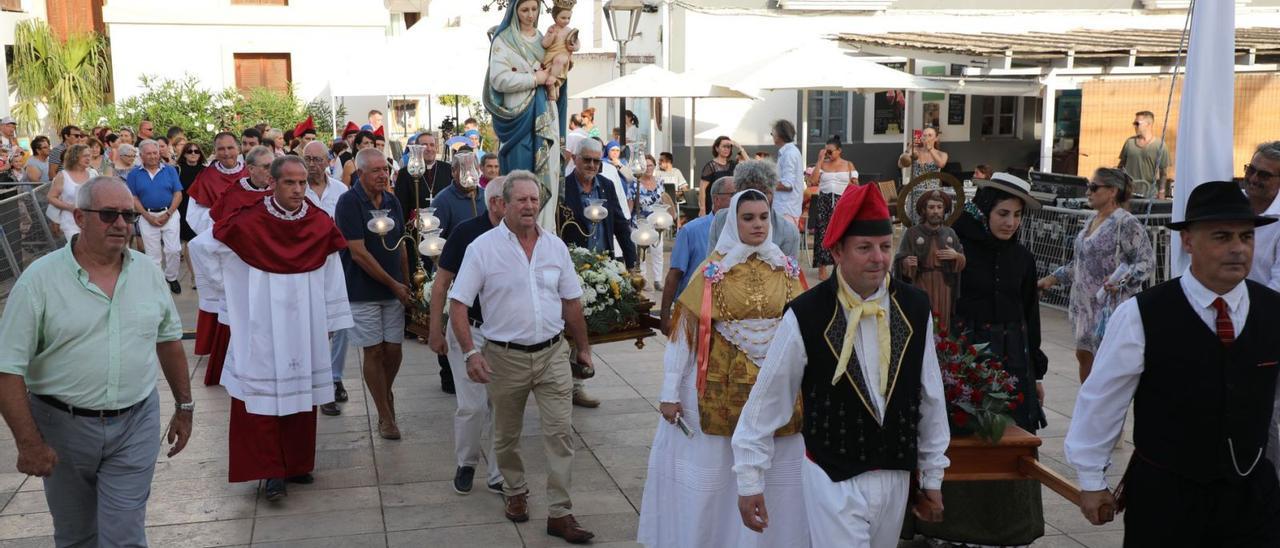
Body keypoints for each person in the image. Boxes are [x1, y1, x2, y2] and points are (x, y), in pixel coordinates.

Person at [731, 182, 950, 547]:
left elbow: (930, 397)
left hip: (895, 474)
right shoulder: (807, 313)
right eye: (864, 248)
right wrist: (749, 478)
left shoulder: (913, 308)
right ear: (836, 252)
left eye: (884, 247)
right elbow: (768, 398)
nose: (878, 258)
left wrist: (932, 477)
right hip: (833, 477)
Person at [1065, 180, 1280, 545]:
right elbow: (1102, 399)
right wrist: (1091, 480)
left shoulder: (1273, 310)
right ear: (1188, 241)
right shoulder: (1143, 314)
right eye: (1222, 236)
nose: (1237, 249)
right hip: (1167, 498)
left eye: (1246, 237)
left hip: (1251, 496)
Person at [0, 176, 192, 547]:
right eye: (108, 215)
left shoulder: (148, 273)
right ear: (80, 217)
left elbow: (168, 340)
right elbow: (7, 369)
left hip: (135, 423)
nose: (120, 224)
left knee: (124, 535)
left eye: (127, 215)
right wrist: (28, 443)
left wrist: (185, 405)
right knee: (77, 536)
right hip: (62, 428)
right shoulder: (38, 281)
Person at [638, 189, 809, 548]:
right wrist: (670, 393)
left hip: (777, 388)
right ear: (733, 220)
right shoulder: (712, 271)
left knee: (774, 469)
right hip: (721, 388)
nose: (758, 225)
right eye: (748, 218)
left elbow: (803, 333)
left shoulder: (787, 268)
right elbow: (683, 338)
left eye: (764, 217)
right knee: (722, 470)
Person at [190, 155, 351, 502]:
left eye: (302, 183)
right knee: (261, 398)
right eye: (289, 183)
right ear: (273, 184)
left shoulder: (318, 222)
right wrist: (230, 297)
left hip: (304, 322)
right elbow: (201, 248)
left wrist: (330, 320)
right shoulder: (249, 220)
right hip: (260, 322)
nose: (297, 189)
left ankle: (296, 464)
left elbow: (331, 271)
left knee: (302, 392)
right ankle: (270, 471)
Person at [448, 171, 596, 544]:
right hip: (504, 357)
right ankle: (514, 492)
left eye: (534, 200)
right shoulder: (483, 247)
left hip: (551, 354)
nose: (529, 206)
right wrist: (469, 352)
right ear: (504, 204)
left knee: (560, 434)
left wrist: (583, 348)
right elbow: (458, 304)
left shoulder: (555, 247)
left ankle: (560, 513)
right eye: (521, 200)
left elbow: (571, 302)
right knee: (506, 435)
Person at [916, 172, 1047, 546]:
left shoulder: (1022, 258)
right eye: (1003, 213)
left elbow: (1029, 315)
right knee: (965, 433)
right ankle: (953, 526)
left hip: (1013, 358)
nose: (1010, 222)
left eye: (1018, 216)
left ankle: (1008, 528)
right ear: (984, 210)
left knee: (1012, 440)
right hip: (966, 357)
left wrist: (1035, 374)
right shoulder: (957, 251)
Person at [1037, 168, 1155, 382]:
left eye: (1093, 187)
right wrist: (1051, 279)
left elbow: (1146, 262)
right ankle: (1089, 410)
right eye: (1087, 187)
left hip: (1108, 308)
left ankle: (1101, 410)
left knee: (1105, 366)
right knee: (1084, 358)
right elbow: (1082, 263)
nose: (1088, 192)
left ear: (1112, 191)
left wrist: (1121, 281)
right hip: (1083, 307)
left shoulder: (1126, 223)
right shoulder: (1091, 221)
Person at [429, 175, 507, 496]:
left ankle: (499, 473)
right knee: (473, 406)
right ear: (495, 203)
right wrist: (435, 330)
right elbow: (441, 283)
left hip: (506, 334)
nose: (526, 207)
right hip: (468, 329)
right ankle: (467, 463)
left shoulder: (525, 234)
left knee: (503, 405)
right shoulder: (465, 232)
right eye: (516, 199)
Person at [335, 148, 411, 440]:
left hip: (394, 288)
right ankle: (384, 414)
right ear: (361, 173)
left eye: (385, 170)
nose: (383, 175)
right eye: (377, 171)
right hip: (362, 289)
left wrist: (406, 282)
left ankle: (384, 393)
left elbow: (402, 243)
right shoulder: (348, 202)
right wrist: (394, 284)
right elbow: (358, 253)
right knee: (374, 350)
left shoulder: (392, 200)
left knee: (394, 350)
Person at [484, 0, 567, 230]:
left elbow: (558, 63)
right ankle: (519, 231)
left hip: (545, 114)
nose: (530, 15)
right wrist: (534, 79)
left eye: (534, 9)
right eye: (524, 10)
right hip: (517, 116)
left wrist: (556, 79)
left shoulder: (544, 38)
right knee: (521, 174)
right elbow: (498, 79)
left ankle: (544, 231)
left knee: (547, 168)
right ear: (514, 10)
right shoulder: (504, 41)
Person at [299, 140, 352, 417]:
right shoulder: (297, 190)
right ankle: (315, 380)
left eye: (318, 159)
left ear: (328, 161)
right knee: (314, 324)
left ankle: (334, 376)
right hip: (305, 266)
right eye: (308, 159)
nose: (313, 164)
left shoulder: (341, 190)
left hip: (335, 264)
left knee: (340, 323)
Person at [660, 176, 736, 335]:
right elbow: (674, 275)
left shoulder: (744, 232)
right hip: (694, 311)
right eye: (734, 194)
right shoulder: (691, 231)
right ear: (717, 199)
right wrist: (665, 315)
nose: (740, 199)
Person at [559, 138, 637, 269]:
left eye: (596, 161)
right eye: (586, 159)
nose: (592, 165)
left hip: (605, 267)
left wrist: (631, 263)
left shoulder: (607, 186)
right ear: (574, 158)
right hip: (573, 268)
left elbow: (621, 226)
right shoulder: (563, 188)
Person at [894, 189, 966, 328]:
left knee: (943, 322)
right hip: (921, 282)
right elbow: (899, 258)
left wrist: (956, 256)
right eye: (931, 207)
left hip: (944, 284)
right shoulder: (913, 233)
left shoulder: (950, 233)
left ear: (944, 211)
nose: (935, 211)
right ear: (923, 210)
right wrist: (905, 263)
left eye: (939, 207)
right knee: (922, 319)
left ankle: (942, 348)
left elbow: (962, 258)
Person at [708, 160, 802, 258]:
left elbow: (789, 271)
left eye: (764, 192)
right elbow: (711, 265)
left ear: (773, 193)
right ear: (738, 193)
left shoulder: (787, 232)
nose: (757, 197)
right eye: (750, 192)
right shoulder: (721, 219)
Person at [127, 140, 185, 294]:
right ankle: (157, 282)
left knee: (173, 250)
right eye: (149, 154)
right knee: (153, 254)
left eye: (155, 153)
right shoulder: (134, 174)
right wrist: (147, 216)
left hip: (170, 214)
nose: (153, 156)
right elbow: (133, 198)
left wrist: (168, 213)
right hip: (147, 215)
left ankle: (171, 277)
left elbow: (178, 194)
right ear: (141, 155)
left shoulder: (170, 170)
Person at [807, 135, 859, 280]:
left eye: (831, 152)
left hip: (841, 202)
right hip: (824, 201)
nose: (828, 154)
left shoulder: (848, 165)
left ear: (839, 151)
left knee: (841, 234)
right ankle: (822, 268)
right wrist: (820, 160)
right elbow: (813, 181)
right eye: (826, 151)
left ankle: (839, 266)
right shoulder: (823, 164)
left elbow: (856, 184)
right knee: (822, 233)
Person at [1243, 142, 1280, 293]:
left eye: (1264, 175)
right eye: (1251, 169)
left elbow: (1277, 286)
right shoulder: (1228, 202)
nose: (1253, 178)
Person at [394, 133, 453, 224]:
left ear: (436, 148)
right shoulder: (405, 173)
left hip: (444, 226)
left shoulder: (448, 169)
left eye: (432, 145)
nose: (429, 149)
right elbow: (401, 208)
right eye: (424, 145)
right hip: (416, 229)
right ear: (417, 148)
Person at [45, 144, 98, 239]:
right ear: (74, 157)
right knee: (76, 248)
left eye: (89, 155)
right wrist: (70, 207)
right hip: (70, 222)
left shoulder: (93, 174)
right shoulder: (63, 175)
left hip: (91, 222)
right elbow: (51, 197)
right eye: (84, 156)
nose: (88, 158)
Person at [1118, 110, 1171, 199]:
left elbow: (1163, 173)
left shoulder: (1160, 145)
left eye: (1137, 123)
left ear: (1148, 124)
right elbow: (1121, 166)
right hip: (1128, 194)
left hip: (1149, 194)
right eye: (1134, 123)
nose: (1134, 126)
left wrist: (1162, 191)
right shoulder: (1129, 143)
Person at [701, 136, 747, 214]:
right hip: (715, 205)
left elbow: (750, 165)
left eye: (729, 147)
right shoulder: (711, 166)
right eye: (724, 146)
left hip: (731, 204)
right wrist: (702, 209)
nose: (726, 149)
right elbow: (702, 189)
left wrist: (739, 147)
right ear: (717, 148)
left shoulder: (733, 164)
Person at [771, 120, 804, 228]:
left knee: (783, 244)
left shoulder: (789, 154)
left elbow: (787, 185)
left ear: (780, 135)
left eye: (772, 133)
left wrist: (766, 184)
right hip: (786, 209)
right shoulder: (788, 152)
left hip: (786, 210)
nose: (772, 136)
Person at [177, 142, 206, 243]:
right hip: (182, 209)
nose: (193, 154)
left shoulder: (205, 171)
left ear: (200, 154)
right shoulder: (177, 170)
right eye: (190, 151)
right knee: (187, 241)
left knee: (197, 240)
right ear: (184, 154)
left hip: (199, 210)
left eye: (196, 151)